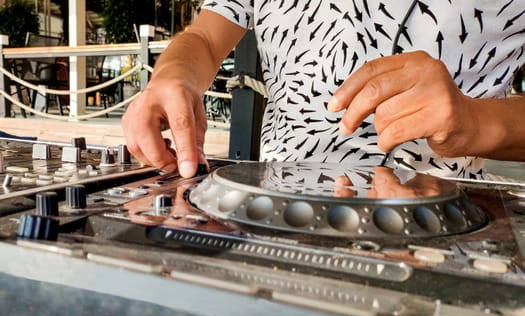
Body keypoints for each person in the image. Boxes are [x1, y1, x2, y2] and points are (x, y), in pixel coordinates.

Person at [122, 1, 525, 179]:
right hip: (271, 227)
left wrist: (474, 122)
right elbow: (206, 39)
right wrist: (172, 76)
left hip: (440, 239)